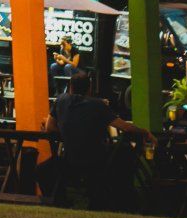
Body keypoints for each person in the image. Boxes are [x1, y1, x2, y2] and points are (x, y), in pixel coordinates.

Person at [43, 74, 148, 203]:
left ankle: (61, 202)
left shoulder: (61, 100)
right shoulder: (98, 105)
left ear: (70, 87)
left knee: (42, 170)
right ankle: (123, 201)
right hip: (95, 161)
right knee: (124, 155)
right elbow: (125, 127)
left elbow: (49, 127)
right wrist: (145, 132)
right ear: (89, 89)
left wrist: (68, 132)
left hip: (69, 160)